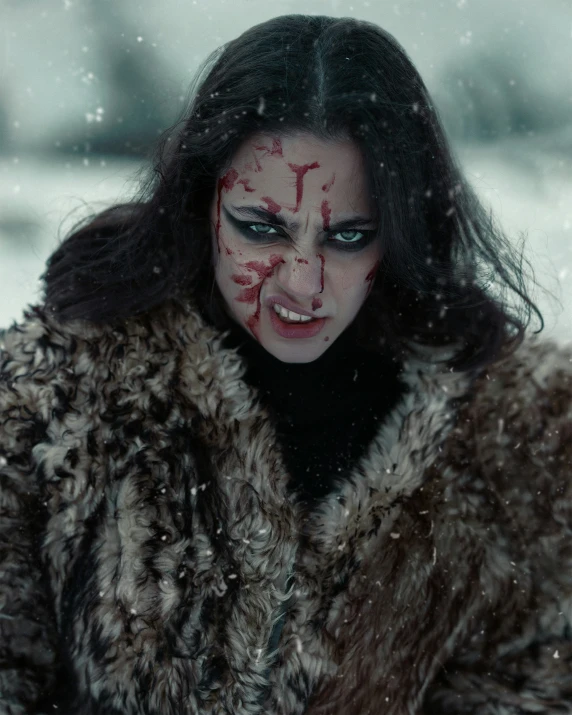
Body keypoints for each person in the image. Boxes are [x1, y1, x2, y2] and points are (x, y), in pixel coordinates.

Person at [0, 13, 570, 715]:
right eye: (262, 227)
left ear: (399, 233)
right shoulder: (57, 399)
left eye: (348, 235)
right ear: (200, 200)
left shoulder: (517, 435)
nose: (302, 282)